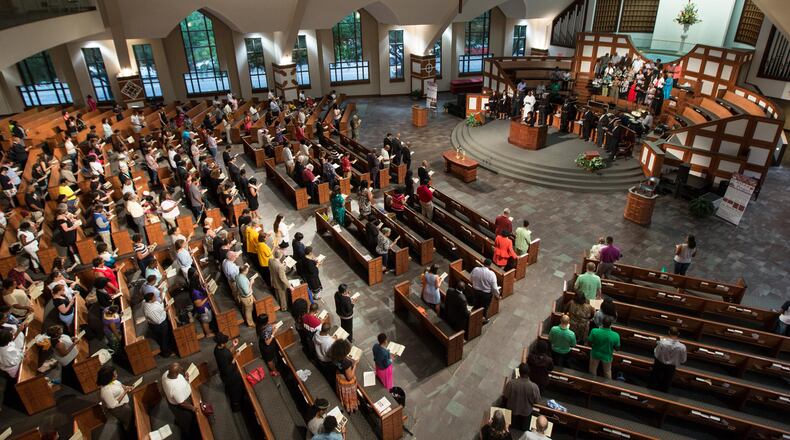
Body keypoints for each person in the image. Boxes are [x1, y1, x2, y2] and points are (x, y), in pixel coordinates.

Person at [161, 363, 197, 437]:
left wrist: (185, 378)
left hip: (173, 400)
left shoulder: (165, 374)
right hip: (180, 406)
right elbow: (182, 403)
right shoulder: (175, 388)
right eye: (179, 370)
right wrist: (192, 408)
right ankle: (188, 435)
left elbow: (180, 377)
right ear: (176, 373)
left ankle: (179, 421)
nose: (181, 369)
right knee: (187, 422)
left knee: (179, 419)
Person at [96, 364, 134, 435]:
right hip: (118, 409)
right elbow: (113, 405)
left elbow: (119, 384)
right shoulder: (105, 391)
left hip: (124, 404)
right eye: (115, 374)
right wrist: (125, 392)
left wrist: (126, 387)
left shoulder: (112, 381)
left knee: (130, 418)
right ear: (108, 377)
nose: (117, 375)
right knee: (128, 422)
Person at [502, 363, 540, 431]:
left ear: (519, 372)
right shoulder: (534, 387)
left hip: (513, 411)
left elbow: (505, 396)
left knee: (512, 426)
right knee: (524, 428)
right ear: (528, 372)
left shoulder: (511, 383)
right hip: (526, 412)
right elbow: (537, 401)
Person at [650, 326, 686, 392]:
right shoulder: (682, 347)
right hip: (671, 367)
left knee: (655, 380)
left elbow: (656, 354)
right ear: (678, 334)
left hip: (659, 364)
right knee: (666, 382)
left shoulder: (662, 343)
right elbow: (683, 360)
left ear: (669, 332)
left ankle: (652, 391)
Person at [214, 333, 244, 411]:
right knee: (235, 392)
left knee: (232, 389)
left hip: (226, 375)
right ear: (221, 343)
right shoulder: (222, 354)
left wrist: (233, 346)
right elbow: (228, 370)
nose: (226, 343)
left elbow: (228, 353)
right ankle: (235, 407)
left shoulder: (217, 349)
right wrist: (235, 357)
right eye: (225, 342)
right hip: (230, 377)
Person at [329, 339, 358, 412]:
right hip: (345, 383)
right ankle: (349, 406)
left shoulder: (334, 356)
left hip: (339, 376)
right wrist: (354, 365)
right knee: (348, 396)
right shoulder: (346, 363)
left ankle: (343, 401)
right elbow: (349, 377)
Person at [142, 291, 174, 357]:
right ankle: (166, 353)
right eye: (154, 297)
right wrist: (165, 310)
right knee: (163, 339)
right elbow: (158, 321)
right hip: (159, 326)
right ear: (150, 300)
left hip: (160, 322)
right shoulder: (151, 310)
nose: (155, 298)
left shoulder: (145, 302)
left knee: (165, 337)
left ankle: (169, 347)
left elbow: (158, 306)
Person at [470, 259, 500, 324]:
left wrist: (475, 285)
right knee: (485, 307)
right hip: (486, 294)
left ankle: (474, 317)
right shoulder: (492, 274)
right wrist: (497, 295)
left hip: (475, 291)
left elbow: (471, 278)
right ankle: (483, 319)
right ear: (490, 265)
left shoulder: (475, 269)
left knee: (476, 304)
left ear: (483, 263)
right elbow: (494, 287)